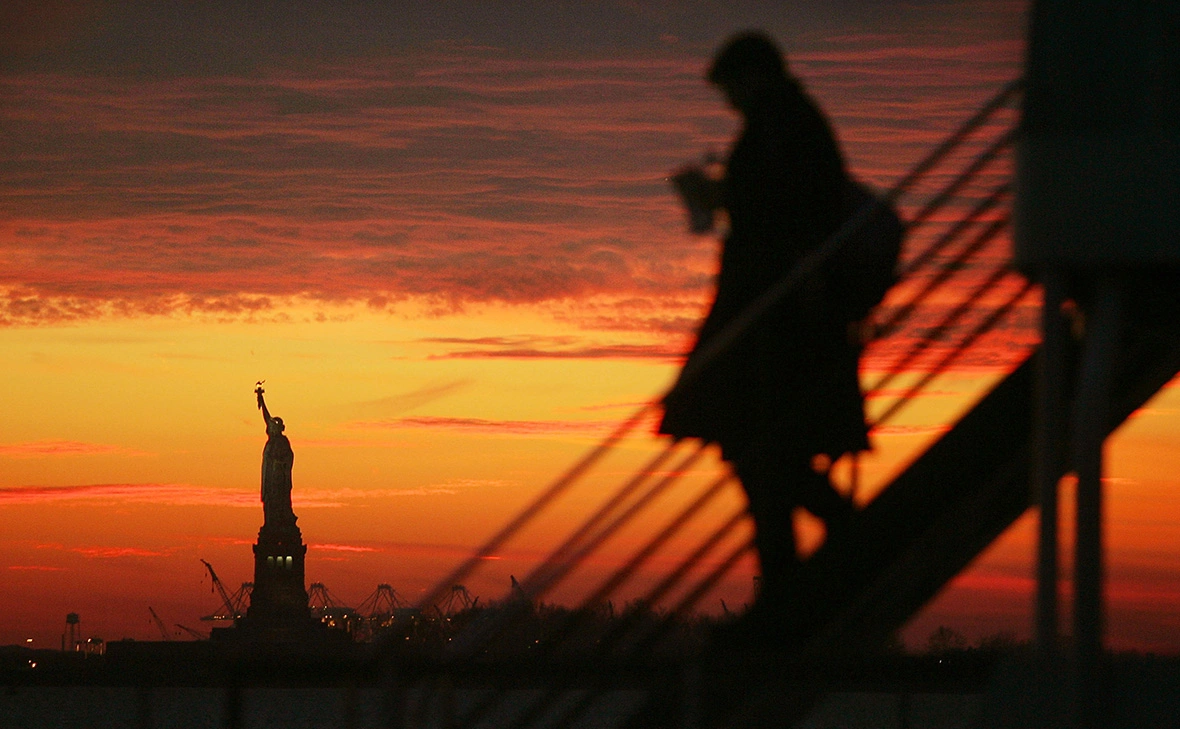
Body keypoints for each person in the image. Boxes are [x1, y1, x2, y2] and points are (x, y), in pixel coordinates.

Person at [661, 32, 868, 618]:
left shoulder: (783, 126)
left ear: (754, 76)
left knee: (758, 446)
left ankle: (800, 567)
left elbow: (784, 209)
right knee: (764, 448)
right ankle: (796, 568)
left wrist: (722, 193)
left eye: (731, 87)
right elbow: (792, 203)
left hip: (774, 317)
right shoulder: (792, 124)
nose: (729, 101)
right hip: (780, 313)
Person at [257, 385, 296, 529]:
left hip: (279, 478)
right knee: (270, 501)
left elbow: (289, 458)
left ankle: (281, 521)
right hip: (270, 477)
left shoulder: (283, 441)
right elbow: (267, 417)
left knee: (280, 500)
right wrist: (262, 399)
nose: (271, 427)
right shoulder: (272, 440)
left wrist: (279, 463)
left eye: (274, 426)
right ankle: (271, 522)